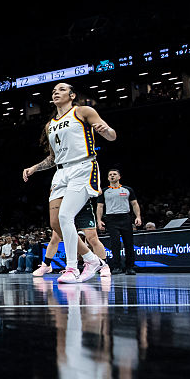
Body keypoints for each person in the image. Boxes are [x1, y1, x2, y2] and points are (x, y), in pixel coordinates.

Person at [23, 82, 116, 284]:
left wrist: (105, 130)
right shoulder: (50, 125)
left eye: (62, 89)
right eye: (54, 91)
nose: (56, 92)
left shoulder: (83, 111)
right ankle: (92, 260)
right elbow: (53, 158)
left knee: (66, 216)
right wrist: (34, 168)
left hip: (83, 167)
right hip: (61, 172)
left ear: (72, 95)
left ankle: (72, 268)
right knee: (56, 223)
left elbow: (111, 136)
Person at [32, 200, 112, 279]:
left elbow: (97, 191)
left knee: (92, 238)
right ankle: (46, 264)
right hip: (66, 207)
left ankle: (104, 266)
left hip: (83, 206)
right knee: (55, 237)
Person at [97, 170, 142, 275]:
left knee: (129, 243)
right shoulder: (104, 191)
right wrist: (99, 221)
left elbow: (134, 204)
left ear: (119, 177)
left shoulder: (127, 189)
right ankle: (117, 267)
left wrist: (138, 217)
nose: (112, 176)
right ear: (108, 178)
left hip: (125, 218)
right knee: (115, 244)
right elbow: (100, 206)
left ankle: (130, 267)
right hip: (111, 219)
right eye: (110, 175)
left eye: (114, 174)